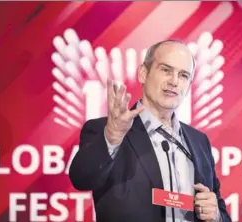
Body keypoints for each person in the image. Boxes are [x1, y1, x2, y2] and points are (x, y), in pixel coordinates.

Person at [69, 39, 231, 222]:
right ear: (143, 74)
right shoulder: (106, 130)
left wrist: (216, 216)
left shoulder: (199, 141)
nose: (174, 81)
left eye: (184, 75)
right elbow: (81, 179)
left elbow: (219, 209)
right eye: (166, 70)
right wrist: (112, 136)